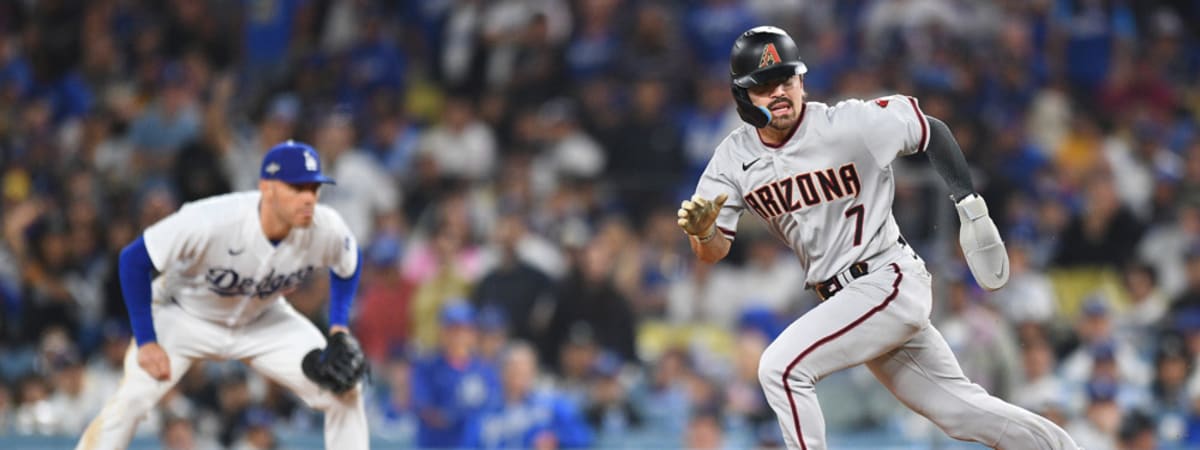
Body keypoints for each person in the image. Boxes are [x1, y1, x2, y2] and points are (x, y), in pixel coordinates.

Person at [676, 26, 1080, 450]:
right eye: (763, 86)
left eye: (786, 79)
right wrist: (703, 233)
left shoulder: (848, 124)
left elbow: (931, 130)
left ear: (801, 80)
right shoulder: (733, 159)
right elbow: (712, 253)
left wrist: (970, 206)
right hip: (847, 301)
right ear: (743, 96)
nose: (779, 92)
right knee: (961, 411)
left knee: (780, 367)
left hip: (887, 279)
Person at [76, 141, 368, 449]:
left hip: (263, 320)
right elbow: (133, 260)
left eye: (314, 188)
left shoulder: (326, 227)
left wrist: (338, 327)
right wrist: (147, 340)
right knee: (133, 399)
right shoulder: (212, 220)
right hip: (185, 315)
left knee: (344, 390)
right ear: (267, 188)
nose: (309, 198)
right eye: (297, 188)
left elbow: (348, 263)